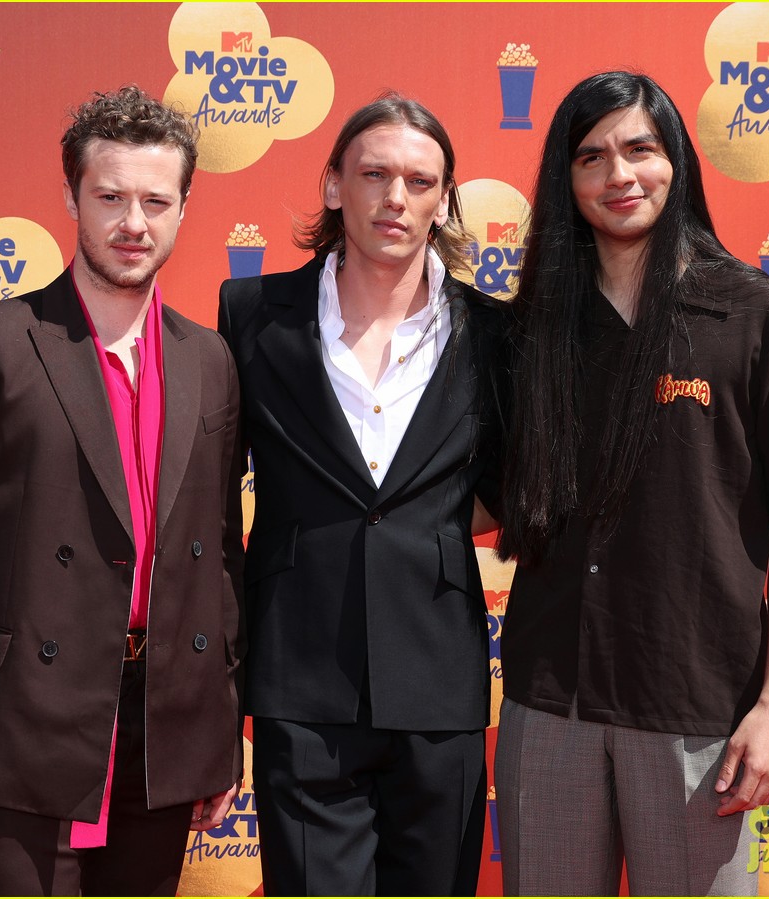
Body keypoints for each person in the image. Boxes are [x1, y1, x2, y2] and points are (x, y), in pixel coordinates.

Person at [0, 85, 245, 896]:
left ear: (184, 207)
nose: (134, 223)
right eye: (111, 196)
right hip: (21, 726)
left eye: (157, 200)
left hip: (160, 730)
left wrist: (217, 733)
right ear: (71, 198)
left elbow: (220, 554)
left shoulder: (209, 359)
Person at [490, 71, 769, 896]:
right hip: (547, 702)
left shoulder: (757, 317)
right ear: (565, 183)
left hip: (698, 710)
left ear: (677, 160)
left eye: (640, 148)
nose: (619, 176)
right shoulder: (532, 327)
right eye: (592, 157)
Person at [218, 93, 498, 896]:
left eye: (420, 179)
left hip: (438, 680)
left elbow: (514, 490)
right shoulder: (251, 315)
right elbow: (207, 490)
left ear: (445, 199)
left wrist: (425, 530)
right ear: (334, 184)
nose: (396, 197)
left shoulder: (494, 333)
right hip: (299, 680)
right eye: (374, 173)